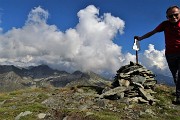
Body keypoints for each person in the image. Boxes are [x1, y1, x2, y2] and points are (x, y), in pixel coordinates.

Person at [134, 5, 180, 104]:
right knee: (176, 76)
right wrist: (141, 38)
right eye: (170, 16)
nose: (173, 17)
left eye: (176, 15)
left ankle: (179, 98)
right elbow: (153, 32)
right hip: (170, 54)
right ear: (167, 17)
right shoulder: (165, 24)